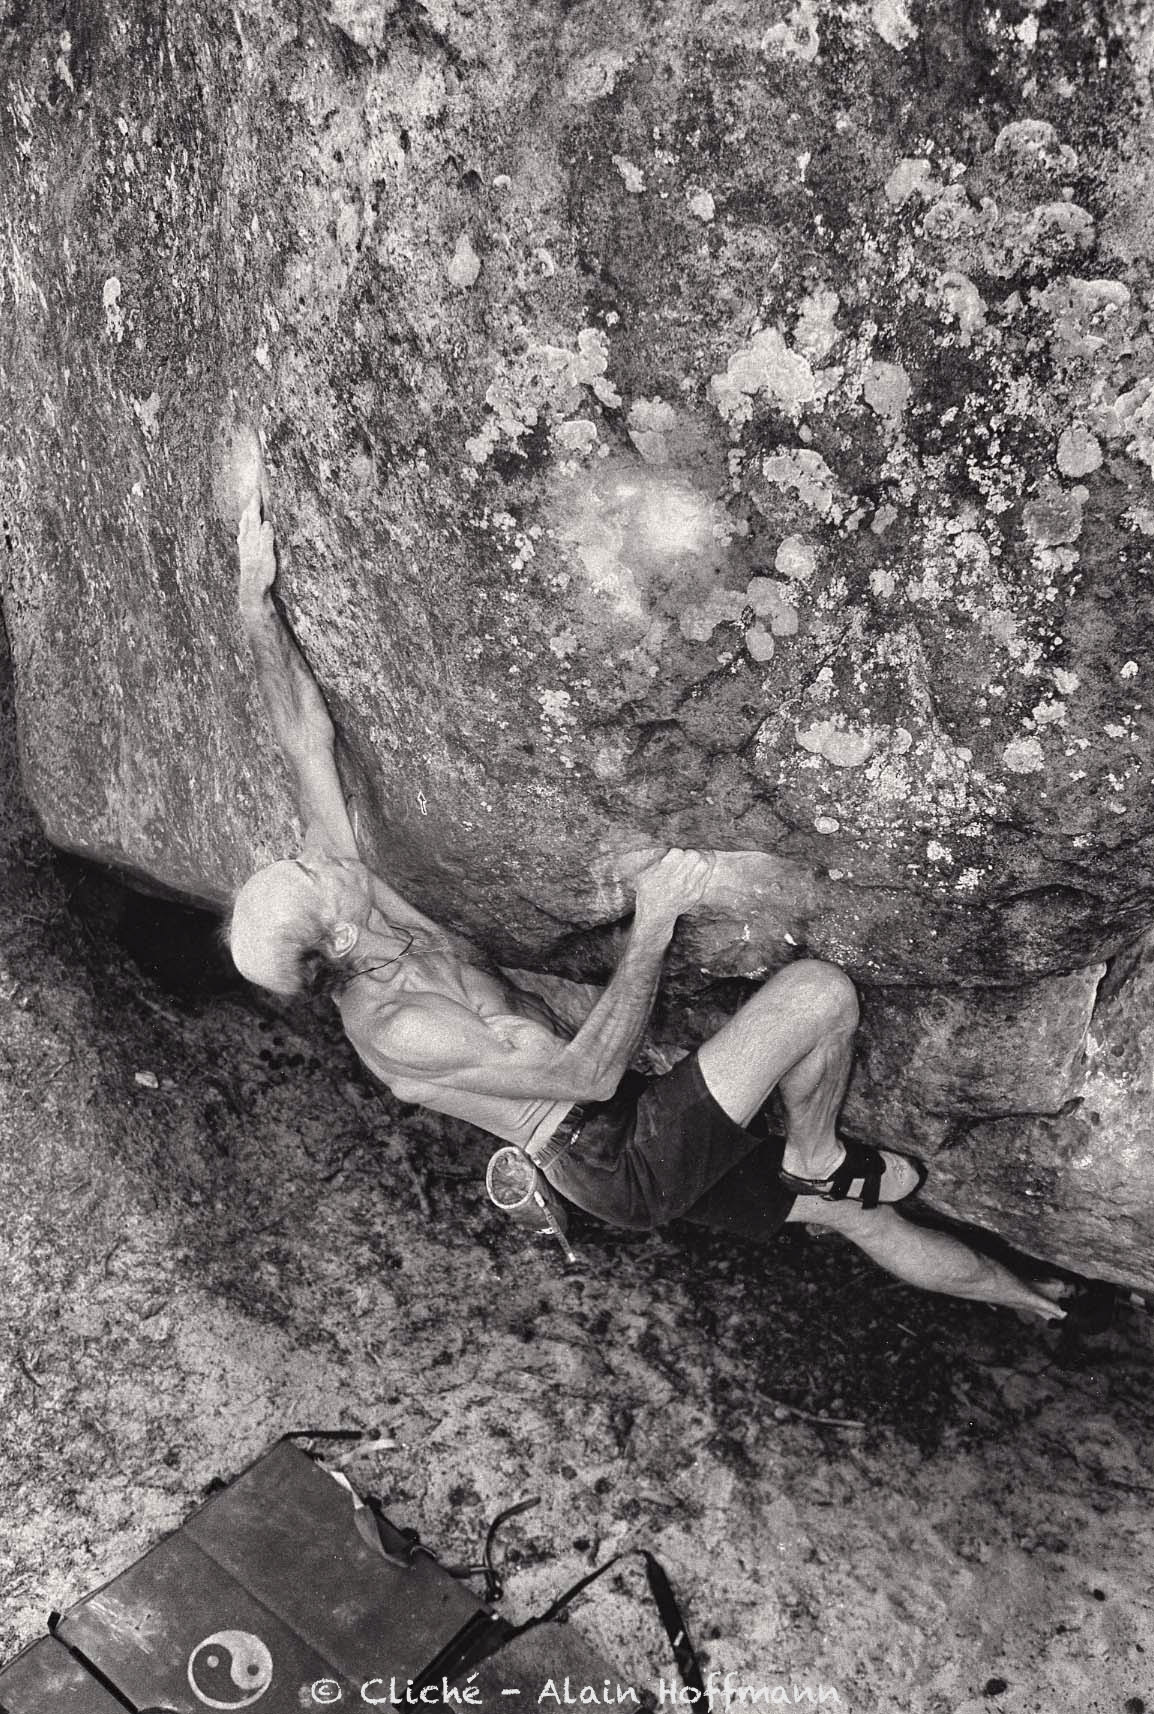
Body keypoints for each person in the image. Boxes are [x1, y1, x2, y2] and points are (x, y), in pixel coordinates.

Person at [227, 479, 1066, 1322]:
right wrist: (657, 917)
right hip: (614, 1159)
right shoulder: (398, 1027)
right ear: (334, 937)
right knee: (820, 995)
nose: (314, 855)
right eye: (305, 872)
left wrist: (254, 605)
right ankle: (815, 1151)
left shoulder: (349, 900)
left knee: (855, 1212)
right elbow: (588, 1076)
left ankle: (1037, 1302)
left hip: (622, 1130)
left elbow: (305, 734)